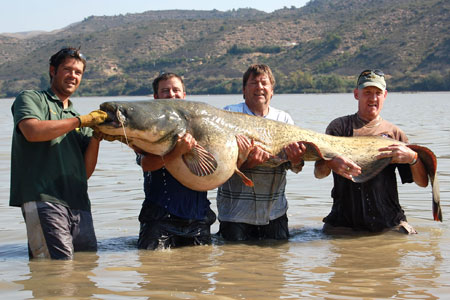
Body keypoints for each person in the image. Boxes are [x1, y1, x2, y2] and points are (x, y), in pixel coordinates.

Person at [10, 47, 108, 259]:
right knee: (56, 270)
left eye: (78, 72)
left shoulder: (78, 116)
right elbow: (32, 132)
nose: (73, 76)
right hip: (44, 199)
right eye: (67, 69)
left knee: (86, 266)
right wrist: (81, 121)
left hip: (79, 204)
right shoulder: (31, 98)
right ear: (53, 70)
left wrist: (97, 136)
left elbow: (85, 172)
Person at [314, 69, 429, 234]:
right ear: (356, 94)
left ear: (385, 95)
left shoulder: (395, 134)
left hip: (388, 223)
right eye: (367, 92)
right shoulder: (339, 128)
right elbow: (319, 173)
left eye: (377, 93)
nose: (373, 98)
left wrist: (413, 158)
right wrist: (330, 162)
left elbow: (422, 183)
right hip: (342, 223)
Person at [216, 64, 306, 241]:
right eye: (253, 83)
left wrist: (296, 160)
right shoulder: (229, 114)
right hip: (235, 214)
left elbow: (296, 167)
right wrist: (246, 162)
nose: (259, 87)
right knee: (233, 263)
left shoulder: (284, 119)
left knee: (275, 264)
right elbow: (220, 165)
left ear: (272, 91)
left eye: (264, 83)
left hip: (274, 213)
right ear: (243, 90)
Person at [135, 72, 216, 250]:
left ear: (184, 95)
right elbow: (147, 165)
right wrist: (177, 151)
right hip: (159, 217)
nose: (171, 94)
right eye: (165, 91)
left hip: (198, 216)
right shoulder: (147, 129)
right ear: (156, 97)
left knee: (199, 274)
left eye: (176, 90)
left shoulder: (202, 125)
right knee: (155, 273)